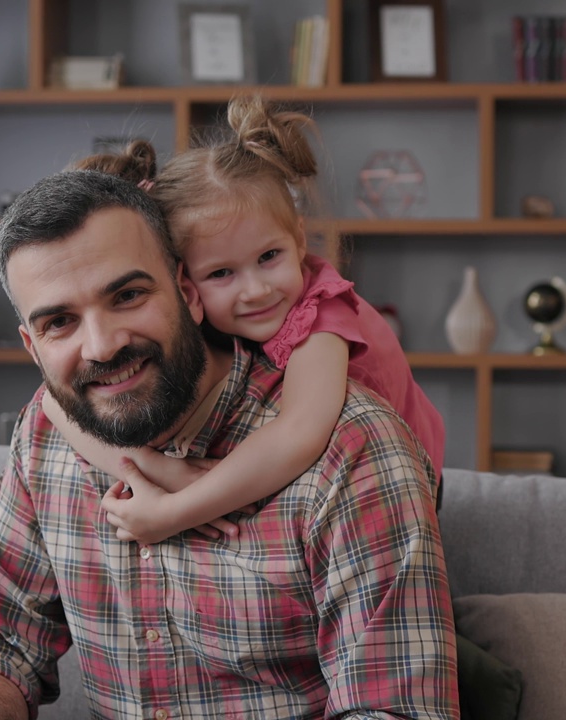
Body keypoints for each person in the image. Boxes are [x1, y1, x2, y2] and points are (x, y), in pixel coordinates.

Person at [0, 168, 457, 719]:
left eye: (128, 295)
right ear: (32, 349)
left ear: (187, 292)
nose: (103, 346)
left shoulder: (349, 445)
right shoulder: (46, 434)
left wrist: (177, 507)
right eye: (59, 322)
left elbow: (394, 709)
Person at [45, 96, 446, 545]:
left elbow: (299, 434)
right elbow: (50, 404)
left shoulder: (321, 316)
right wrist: (162, 468)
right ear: (184, 286)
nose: (255, 289)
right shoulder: (199, 317)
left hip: (390, 488)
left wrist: (171, 512)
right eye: (222, 273)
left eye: (269, 256)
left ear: (297, 238)